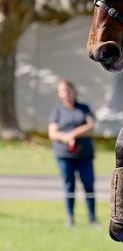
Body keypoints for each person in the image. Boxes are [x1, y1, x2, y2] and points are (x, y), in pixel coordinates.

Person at [48, 79, 98, 226]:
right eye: (62, 91)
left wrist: (73, 134)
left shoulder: (84, 108)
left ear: (74, 91)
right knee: (69, 186)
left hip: (85, 156)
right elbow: (53, 133)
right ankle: (70, 218)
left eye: (68, 90)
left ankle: (93, 219)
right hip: (65, 156)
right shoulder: (57, 111)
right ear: (59, 94)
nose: (66, 94)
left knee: (88, 186)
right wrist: (66, 138)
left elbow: (91, 126)